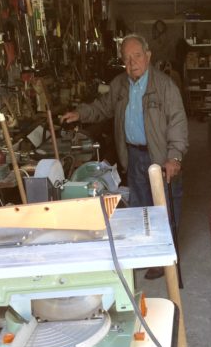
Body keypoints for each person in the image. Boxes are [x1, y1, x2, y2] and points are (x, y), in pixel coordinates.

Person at [62, 34, 188, 279]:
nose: (132, 63)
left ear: (148, 56)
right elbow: (103, 107)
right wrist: (80, 114)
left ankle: (164, 258)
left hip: (160, 157)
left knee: (163, 209)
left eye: (137, 56)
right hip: (133, 154)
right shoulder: (120, 84)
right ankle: (145, 254)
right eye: (126, 59)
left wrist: (175, 157)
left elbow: (178, 123)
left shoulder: (164, 86)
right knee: (140, 207)